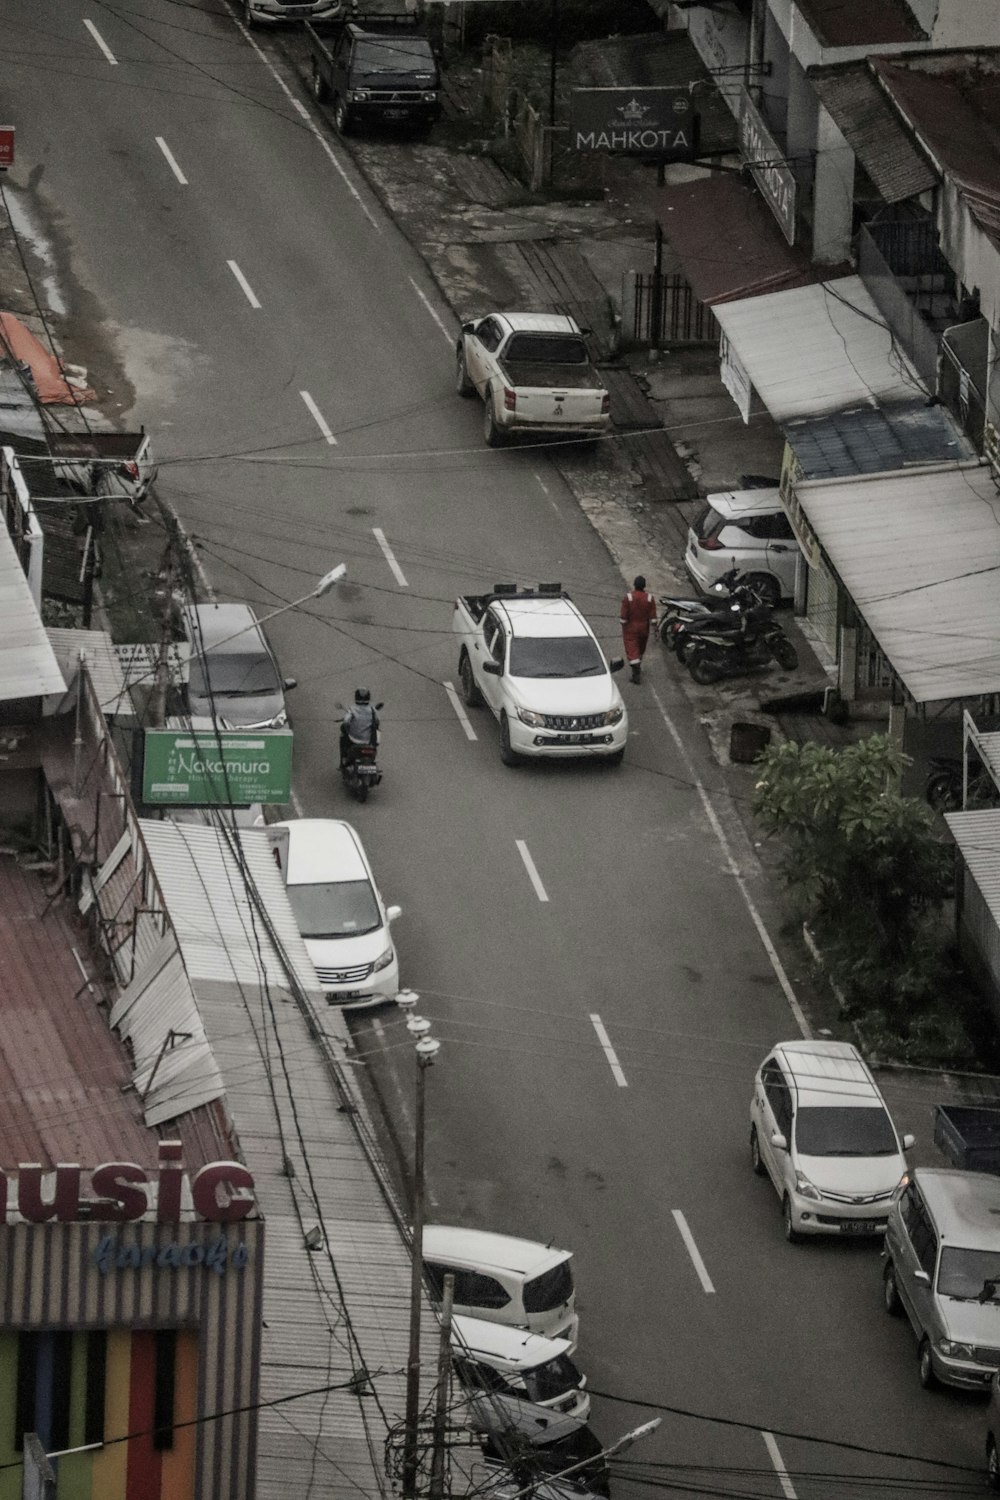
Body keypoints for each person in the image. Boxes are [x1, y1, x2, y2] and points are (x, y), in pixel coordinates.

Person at [620, 575, 657, 683]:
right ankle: (638, 664)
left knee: (632, 650)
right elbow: (653, 617)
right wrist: (656, 630)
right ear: (644, 586)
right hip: (644, 629)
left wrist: (624, 625)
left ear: (634, 585)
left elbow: (623, 617)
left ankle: (636, 672)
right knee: (640, 648)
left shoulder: (628, 597)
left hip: (631, 629)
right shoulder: (650, 598)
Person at [340, 688, 378, 766]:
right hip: (368, 741)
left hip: (354, 740)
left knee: (343, 737)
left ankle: (344, 759)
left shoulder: (353, 709)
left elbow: (346, 721)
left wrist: (348, 730)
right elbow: (377, 722)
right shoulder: (372, 710)